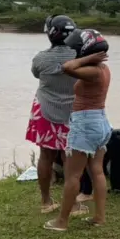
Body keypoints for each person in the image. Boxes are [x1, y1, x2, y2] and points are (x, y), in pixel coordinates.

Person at [45, 29, 112, 232]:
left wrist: (87, 58)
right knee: (97, 171)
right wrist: (91, 59)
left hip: (85, 123)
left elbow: (66, 67)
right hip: (100, 121)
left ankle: (61, 222)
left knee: (73, 175)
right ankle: (99, 217)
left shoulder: (92, 70)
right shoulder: (103, 68)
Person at [27, 14, 81, 215]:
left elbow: (35, 74)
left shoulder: (40, 58)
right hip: (73, 112)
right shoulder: (80, 57)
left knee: (45, 155)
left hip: (45, 110)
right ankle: (74, 204)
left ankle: (46, 201)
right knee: (70, 158)